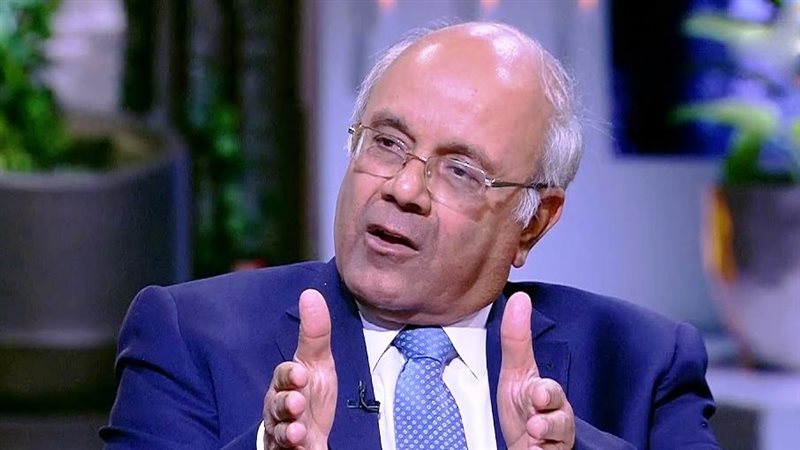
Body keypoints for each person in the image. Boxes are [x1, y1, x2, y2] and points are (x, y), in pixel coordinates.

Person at [101, 21, 721, 450]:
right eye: (387, 143)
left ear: (533, 221)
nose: (403, 188)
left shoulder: (642, 363)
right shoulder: (190, 336)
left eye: (461, 171)